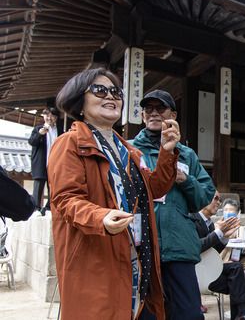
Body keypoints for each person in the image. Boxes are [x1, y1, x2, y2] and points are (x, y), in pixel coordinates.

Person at [49, 68, 180, 320]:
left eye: (116, 92)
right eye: (99, 90)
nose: (111, 96)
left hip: (135, 254)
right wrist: (101, 218)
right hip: (97, 257)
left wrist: (166, 151)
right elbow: (65, 200)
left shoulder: (129, 150)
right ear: (80, 101)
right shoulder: (69, 143)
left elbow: (153, 190)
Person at [131, 89, 215, 320]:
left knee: (188, 314)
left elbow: (206, 196)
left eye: (161, 109)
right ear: (142, 115)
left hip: (178, 246)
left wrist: (186, 180)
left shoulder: (187, 154)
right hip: (141, 247)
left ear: (173, 115)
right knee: (145, 314)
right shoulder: (130, 151)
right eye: (149, 109)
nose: (154, 113)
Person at [190, 192, 245, 320]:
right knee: (238, 281)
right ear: (203, 198)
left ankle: (241, 314)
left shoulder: (210, 223)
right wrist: (219, 232)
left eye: (220, 200)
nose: (219, 203)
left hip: (209, 269)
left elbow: (212, 252)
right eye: (216, 199)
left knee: (238, 271)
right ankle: (242, 313)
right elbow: (196, 247)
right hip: (197, 273)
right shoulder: (192, 218)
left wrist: (224, 237)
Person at [28, 106, 63, 214]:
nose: (50, 118)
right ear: (43, 116)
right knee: (39, 185)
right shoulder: (38, 129)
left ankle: (48, 207)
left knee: (53, 185)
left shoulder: (61, 130)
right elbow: (32, 142)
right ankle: (35, 208)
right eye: (47, 115)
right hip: (41, 162)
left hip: (55, 161)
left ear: (56, 117)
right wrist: (40, 133)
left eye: (52, 115)